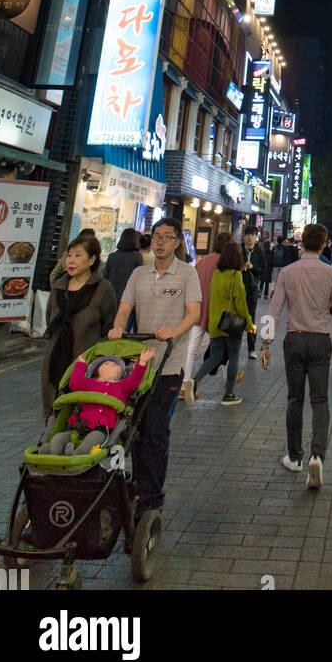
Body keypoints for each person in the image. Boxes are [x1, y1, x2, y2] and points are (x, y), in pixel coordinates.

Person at [107, 217, 201, 517]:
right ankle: (137, 483)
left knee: (156, 432)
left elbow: (193, 313)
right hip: (139, 365)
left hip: (169, 366)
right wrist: (117, 328)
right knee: (134, 428)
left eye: (167, 237)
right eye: (156, 236)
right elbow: (124, 309)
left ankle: (152, 494)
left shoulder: (187, 274)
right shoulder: (139, 273)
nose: (159, 241)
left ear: (177, 243)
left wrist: (174, 330)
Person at [262, 222, 332, 487]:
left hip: (294, 340)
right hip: (321, 341)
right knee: (320, 400)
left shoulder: (287, 272)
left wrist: (265, 343)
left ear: (302, 243)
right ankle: (317, 456)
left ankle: (295, 457)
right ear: (323, 244)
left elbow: (273, 310)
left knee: (294, 398)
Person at [42, 235, 117, 420]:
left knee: (79, 417)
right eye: (69, 255)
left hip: (85, 364)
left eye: (78, 255)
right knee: (52, 416)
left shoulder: (103, 288)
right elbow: (49, 320)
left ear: (92, 259)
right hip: (54, 361)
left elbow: (109, 327)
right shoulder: (58, 287)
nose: (71, 260)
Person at [47, 348, 155, 455]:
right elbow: (75, 383)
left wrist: (142, 363)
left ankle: (74, 454)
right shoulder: (88, 383)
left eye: (116, 365)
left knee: (91, 441)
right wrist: (80, 365)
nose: (112, 365)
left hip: (101, 430)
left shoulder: (122, 386)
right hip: (79, 426)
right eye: (107, 363)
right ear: (96, 370)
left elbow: (134, 379)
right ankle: (53, 453)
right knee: (58, 438)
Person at [189, 241, 253, 406]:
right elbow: (240, 303)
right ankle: (229, 394)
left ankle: (194, 381)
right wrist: (249, 324)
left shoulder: (217, 273)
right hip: (230, 324)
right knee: (233, 357)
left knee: (215, 356)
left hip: (215, 323)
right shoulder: (235, 275)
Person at [181, 231, 229, 405]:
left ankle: (185, 382)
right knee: (223, 349)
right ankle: (227, 382)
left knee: (191, 348)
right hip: (217, 312)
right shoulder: (225, 264)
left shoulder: (202, 262)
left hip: (198, 308)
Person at [241, 227, 266, 358]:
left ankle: (251, 348)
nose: (250, 237)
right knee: (236, 317)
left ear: (256, 237)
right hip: (238, 288)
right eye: (247, 235)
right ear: (244, 236)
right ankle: (235, 346)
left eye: (252, 235)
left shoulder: (259, 252)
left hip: (252, 289)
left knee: (251, 317)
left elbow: (263, 270)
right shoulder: (238, 250)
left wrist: (253, 268)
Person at [104, 228, 143, 310]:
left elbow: (105, 276)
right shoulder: (137, 257)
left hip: (111, 295)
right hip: (128, 297)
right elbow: (139, 279)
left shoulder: (112, 256)